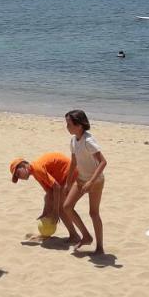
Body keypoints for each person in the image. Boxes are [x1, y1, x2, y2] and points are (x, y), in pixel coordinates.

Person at [61, 109, 107, 254]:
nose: (67, 127)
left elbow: (103, 162)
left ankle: (100, 247)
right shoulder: (73, 140)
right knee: (67, 207)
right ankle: (86, 236)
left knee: (93, 213)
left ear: (79, 125)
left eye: (69, 124)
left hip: (96, 181)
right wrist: (68, 183)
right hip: (80, 180)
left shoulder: (89, 141)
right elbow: (73, 162)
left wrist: (91, 182)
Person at [9, 153, 78, 239]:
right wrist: (45, 213)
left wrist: (55, 212)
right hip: (64, 177)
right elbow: (49, 193)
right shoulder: (35, 172)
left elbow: (56, 187)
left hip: (71, 174)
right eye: (17, 177)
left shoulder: (37, 168)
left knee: (60, 209)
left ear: (23, 165)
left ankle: (74, 236)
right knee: (53, 203)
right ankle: (52, 233)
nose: (20, 178)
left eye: (18, 174)